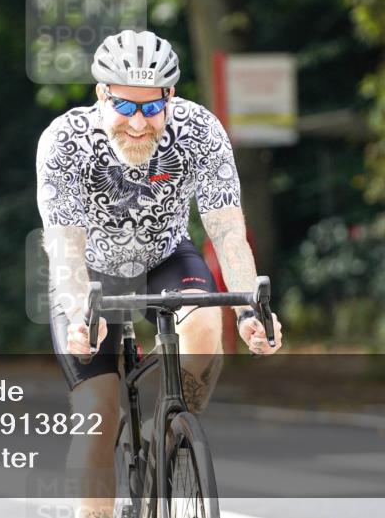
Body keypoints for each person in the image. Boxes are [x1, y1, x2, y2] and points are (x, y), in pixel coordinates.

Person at [36, 30, 284, 518]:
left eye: (152, 108)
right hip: (89, 271)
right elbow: (64, 245)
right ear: (100, 94)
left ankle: (165, 432)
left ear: (171, 96)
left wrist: (250, 311)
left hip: (165, 256)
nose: (138, 123)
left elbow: (227, 231)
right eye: (125, 107)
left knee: (206, 329)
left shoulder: (200, 131)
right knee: (98, 417)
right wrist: (78, 312)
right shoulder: (64, 141)